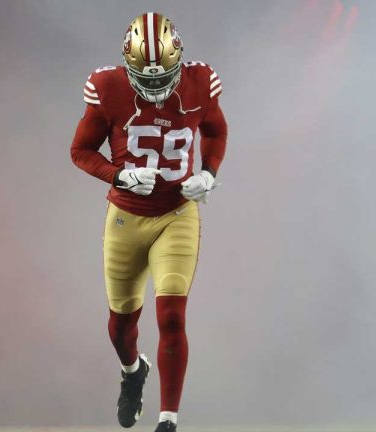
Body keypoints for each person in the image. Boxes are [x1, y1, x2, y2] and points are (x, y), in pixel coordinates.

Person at [70, 12, 227, 432]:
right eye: (145, 79)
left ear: (181, 61)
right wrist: (119, 175)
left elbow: (215, 131)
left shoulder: (201, 82)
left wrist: (207, 173)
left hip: (177, 214)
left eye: (164, 78)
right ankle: (132, 370)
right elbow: (81, 150)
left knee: (172, 316)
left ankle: (168, 420)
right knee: (122, 325)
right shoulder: (107, 88)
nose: (155, 90)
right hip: (126, 216)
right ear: (127, 66)